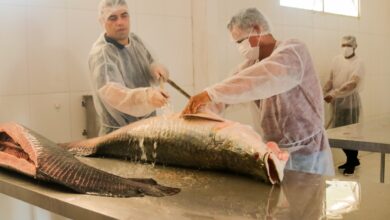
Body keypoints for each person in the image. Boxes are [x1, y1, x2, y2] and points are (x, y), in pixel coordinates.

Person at [182, 8, 334, 176]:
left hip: (307, 152)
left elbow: (261, 77)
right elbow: (228, 93)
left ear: (257, 29)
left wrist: (210, 93)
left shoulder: (293, 50)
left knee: (308, 200)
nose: (240, 48)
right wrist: (200, 113)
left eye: (241, 41)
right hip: (274, 152)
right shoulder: (249, 66)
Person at [89, 0, 170, 135]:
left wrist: (155, 69)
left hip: (148, 127)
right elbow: (115, 95)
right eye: (113, 18)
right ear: (102, 22)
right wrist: (147, 97)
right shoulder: (101, 54)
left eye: (124, 15)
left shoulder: (135, 40)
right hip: (119, 136)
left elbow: (149, 61)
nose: (120, 22)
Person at [323, 35, 365, 175]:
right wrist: (323, 91)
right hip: (337, 104)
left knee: (350, 135)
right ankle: (352, 159)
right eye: (343, 45)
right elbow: (330, 79)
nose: (345, 48)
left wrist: (334, 94)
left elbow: (353, 83)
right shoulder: (336, 60)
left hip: (350, 103)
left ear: (354, 46)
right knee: (338, 134)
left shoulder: (358, 63)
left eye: (348, 45)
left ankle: (352, 162)